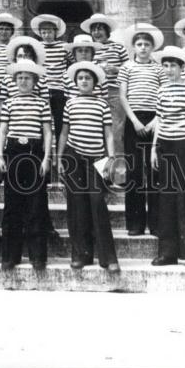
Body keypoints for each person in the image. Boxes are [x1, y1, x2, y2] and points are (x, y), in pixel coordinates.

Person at [58, 62, 119, 272]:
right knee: (77, 204)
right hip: (73, 156)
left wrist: (111, 158)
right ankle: (81, 255)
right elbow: (64, 133)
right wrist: (59, 157)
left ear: (94, 82)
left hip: (98, 158)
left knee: (97, 202)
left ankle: (108, 258)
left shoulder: (102, 104)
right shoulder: (70, 104)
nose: (84, 81)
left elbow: (109, 133)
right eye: (81, 78)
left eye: (88, 78)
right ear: (75, 82)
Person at [151, 45, 185, 269]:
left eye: (173, 65)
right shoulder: (162, 90)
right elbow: (160, 120)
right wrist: (154, 148)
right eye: (165, 65)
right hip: (165, 145)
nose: (169, 69)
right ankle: (168, 252)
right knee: (166, 198)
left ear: (182, 67)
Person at [0, 59, 52, 272]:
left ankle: (38, 256)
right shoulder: (9, 103)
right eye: (19, 78)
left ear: (35, 81)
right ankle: (10, 256)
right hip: (13, 153)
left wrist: (47, 158)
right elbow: (2, 130)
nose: (23, 81)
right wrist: (0, 156)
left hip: (35, 153)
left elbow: (47, 132)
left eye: (27, 78)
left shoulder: (42, 103)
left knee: (36, 205)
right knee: (12, 206)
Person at [119, 23, 164, 237]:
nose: (143, 48)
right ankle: (135, 223)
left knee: (155, 170)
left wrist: (156, 120)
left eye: (147, 44)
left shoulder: (159, 69)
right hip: (134, 120)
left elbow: (164, 97)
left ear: (152, 47)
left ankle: (156, 222)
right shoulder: (127, 67)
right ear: (134, 47)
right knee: (134, 171)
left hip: (155, 120)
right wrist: (135, 121)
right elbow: (122, 97)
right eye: (139, 44)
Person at [82, 14, 128, 156]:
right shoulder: (89, 49)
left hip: (115, 92)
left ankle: (117, 173)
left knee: (116, 132)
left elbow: (129, 68)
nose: (97, 32)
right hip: (95, 93)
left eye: (100, 28)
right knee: (96, 132)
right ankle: (100, 172)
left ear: (107, 30)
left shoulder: (118, 47)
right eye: (94, 29)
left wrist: (116, 69)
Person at [30, 13, 68, 143]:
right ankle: (42, 151)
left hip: (59, 88)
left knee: (59, 121)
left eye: (50, 31)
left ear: (55, 32)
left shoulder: (64, 46)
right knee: (41, 121)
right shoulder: (36, 47)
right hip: (42, 88)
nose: (47, 35)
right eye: (44, 32)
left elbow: (73, 62)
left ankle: (59, 155)